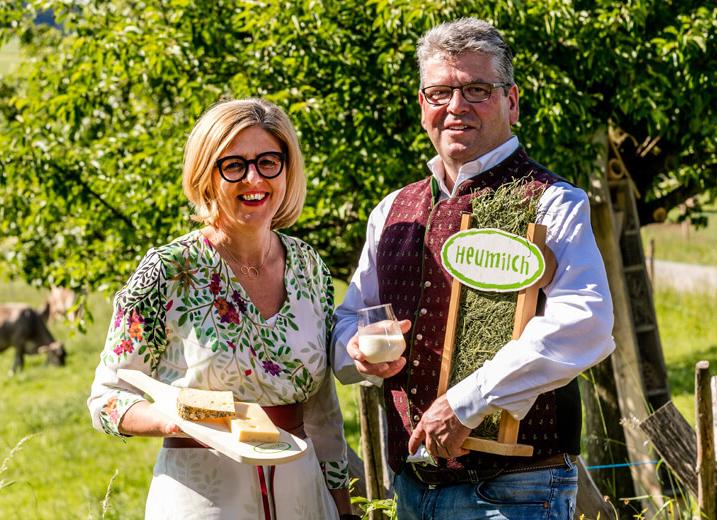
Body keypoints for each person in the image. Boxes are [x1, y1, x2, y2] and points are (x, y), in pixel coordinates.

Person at [331, 17, 616, 520]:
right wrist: (357, 352)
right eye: (440, 92)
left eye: (477, 90)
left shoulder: (553, 203)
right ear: (423, 105)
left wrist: (467, 403)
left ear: (512, 101)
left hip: (516, 492)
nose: (456, 107)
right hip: (411, 489)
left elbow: (587, 322)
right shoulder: (391, 210)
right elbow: (348, 323)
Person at [88, 98, 359, 520]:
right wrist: (170, 420)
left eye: (269, 161)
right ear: (206, 175)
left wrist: (343, 508)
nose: (254, 177)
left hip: (305, 501)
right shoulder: (168, 271)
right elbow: (105, 400)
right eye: (233, 165)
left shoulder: (309, 268)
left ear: (287, 169)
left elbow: (322, 411)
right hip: (202, 500)